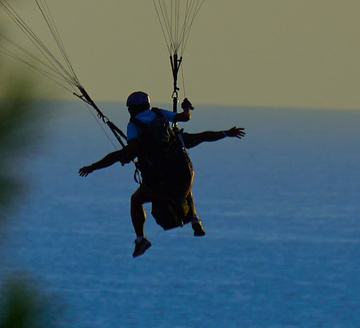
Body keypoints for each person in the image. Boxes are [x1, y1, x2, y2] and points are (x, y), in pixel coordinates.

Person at [79, 91, 246, 256]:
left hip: (161, 185)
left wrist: (95, 166)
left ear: (132, 109)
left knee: (136, 200)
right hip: (185, 177)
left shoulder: (134, 125)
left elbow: (122, 154)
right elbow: (197, 131)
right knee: (183, 187)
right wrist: (223, 131)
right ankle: (195, 219)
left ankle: (140, 239)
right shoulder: (164, 119)